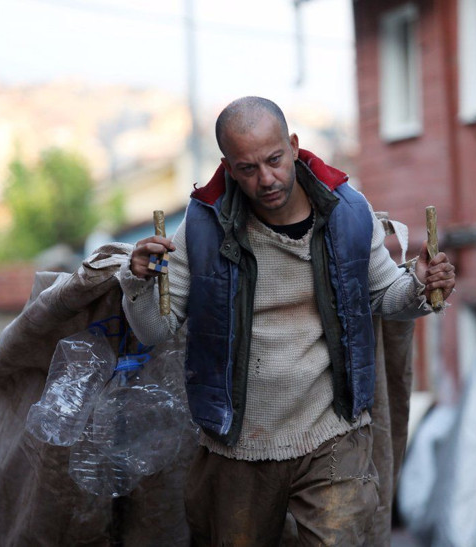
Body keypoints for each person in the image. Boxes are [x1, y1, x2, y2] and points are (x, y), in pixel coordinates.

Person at [119, 96, 456, 545]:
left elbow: (384, 297)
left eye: (275, 160)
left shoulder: (347, 214)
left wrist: (419, 285)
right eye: (248, 168)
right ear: (229, 168)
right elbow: (154, 330)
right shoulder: (202, 227)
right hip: (237, 446)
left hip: (333, 436)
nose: (267, 179)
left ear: (294, 146)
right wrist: (138, 281)